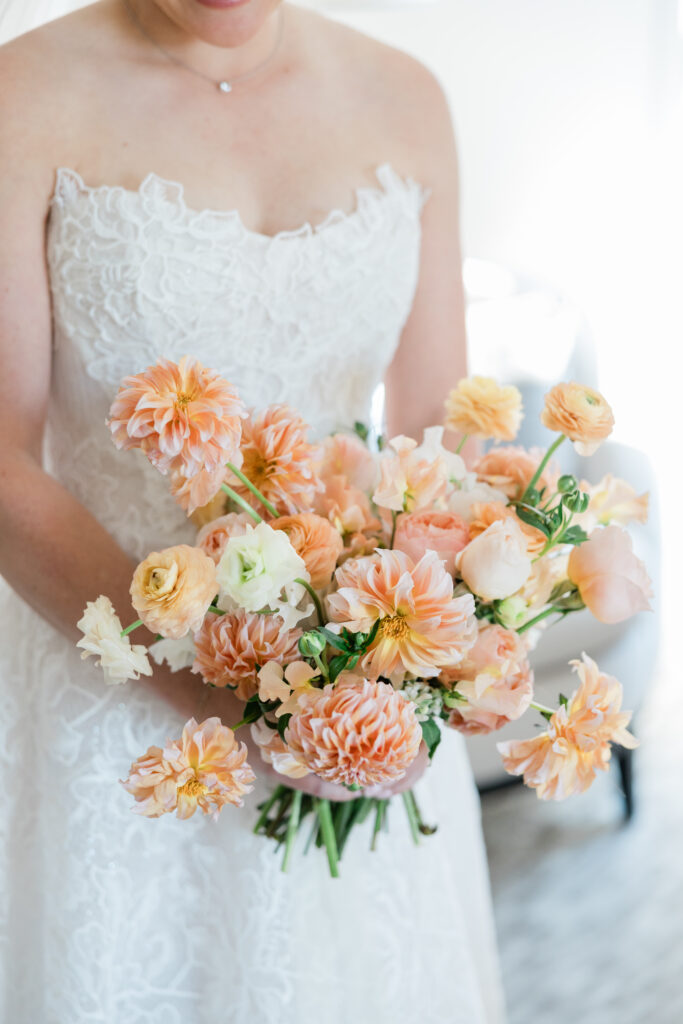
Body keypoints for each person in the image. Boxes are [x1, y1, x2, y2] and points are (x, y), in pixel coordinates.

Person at [0, 1, 506, 1020]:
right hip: (110, 694)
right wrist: (223, 692)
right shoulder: (22, 97)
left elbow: (443, 433)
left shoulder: (405, 97)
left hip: (360, 688)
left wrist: (417, 660)